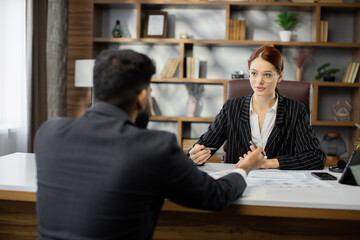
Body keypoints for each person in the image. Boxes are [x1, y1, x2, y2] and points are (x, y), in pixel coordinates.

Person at [34, 49, 267, 240]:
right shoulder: (154, 147)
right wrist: (243, 168)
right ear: (142, 97)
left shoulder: (48, 132)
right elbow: (216, 197)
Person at [189, 46, 325, 170]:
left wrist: (267, 163)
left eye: (267, 75)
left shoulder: (295, 110)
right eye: (254, 73)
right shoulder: (231, 108)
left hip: (277, 186)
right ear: (249, 74)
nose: (259, 81)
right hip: (238, 182)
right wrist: (194, 156)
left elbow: (316, 157)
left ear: (280, 76)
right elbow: (202, 147)